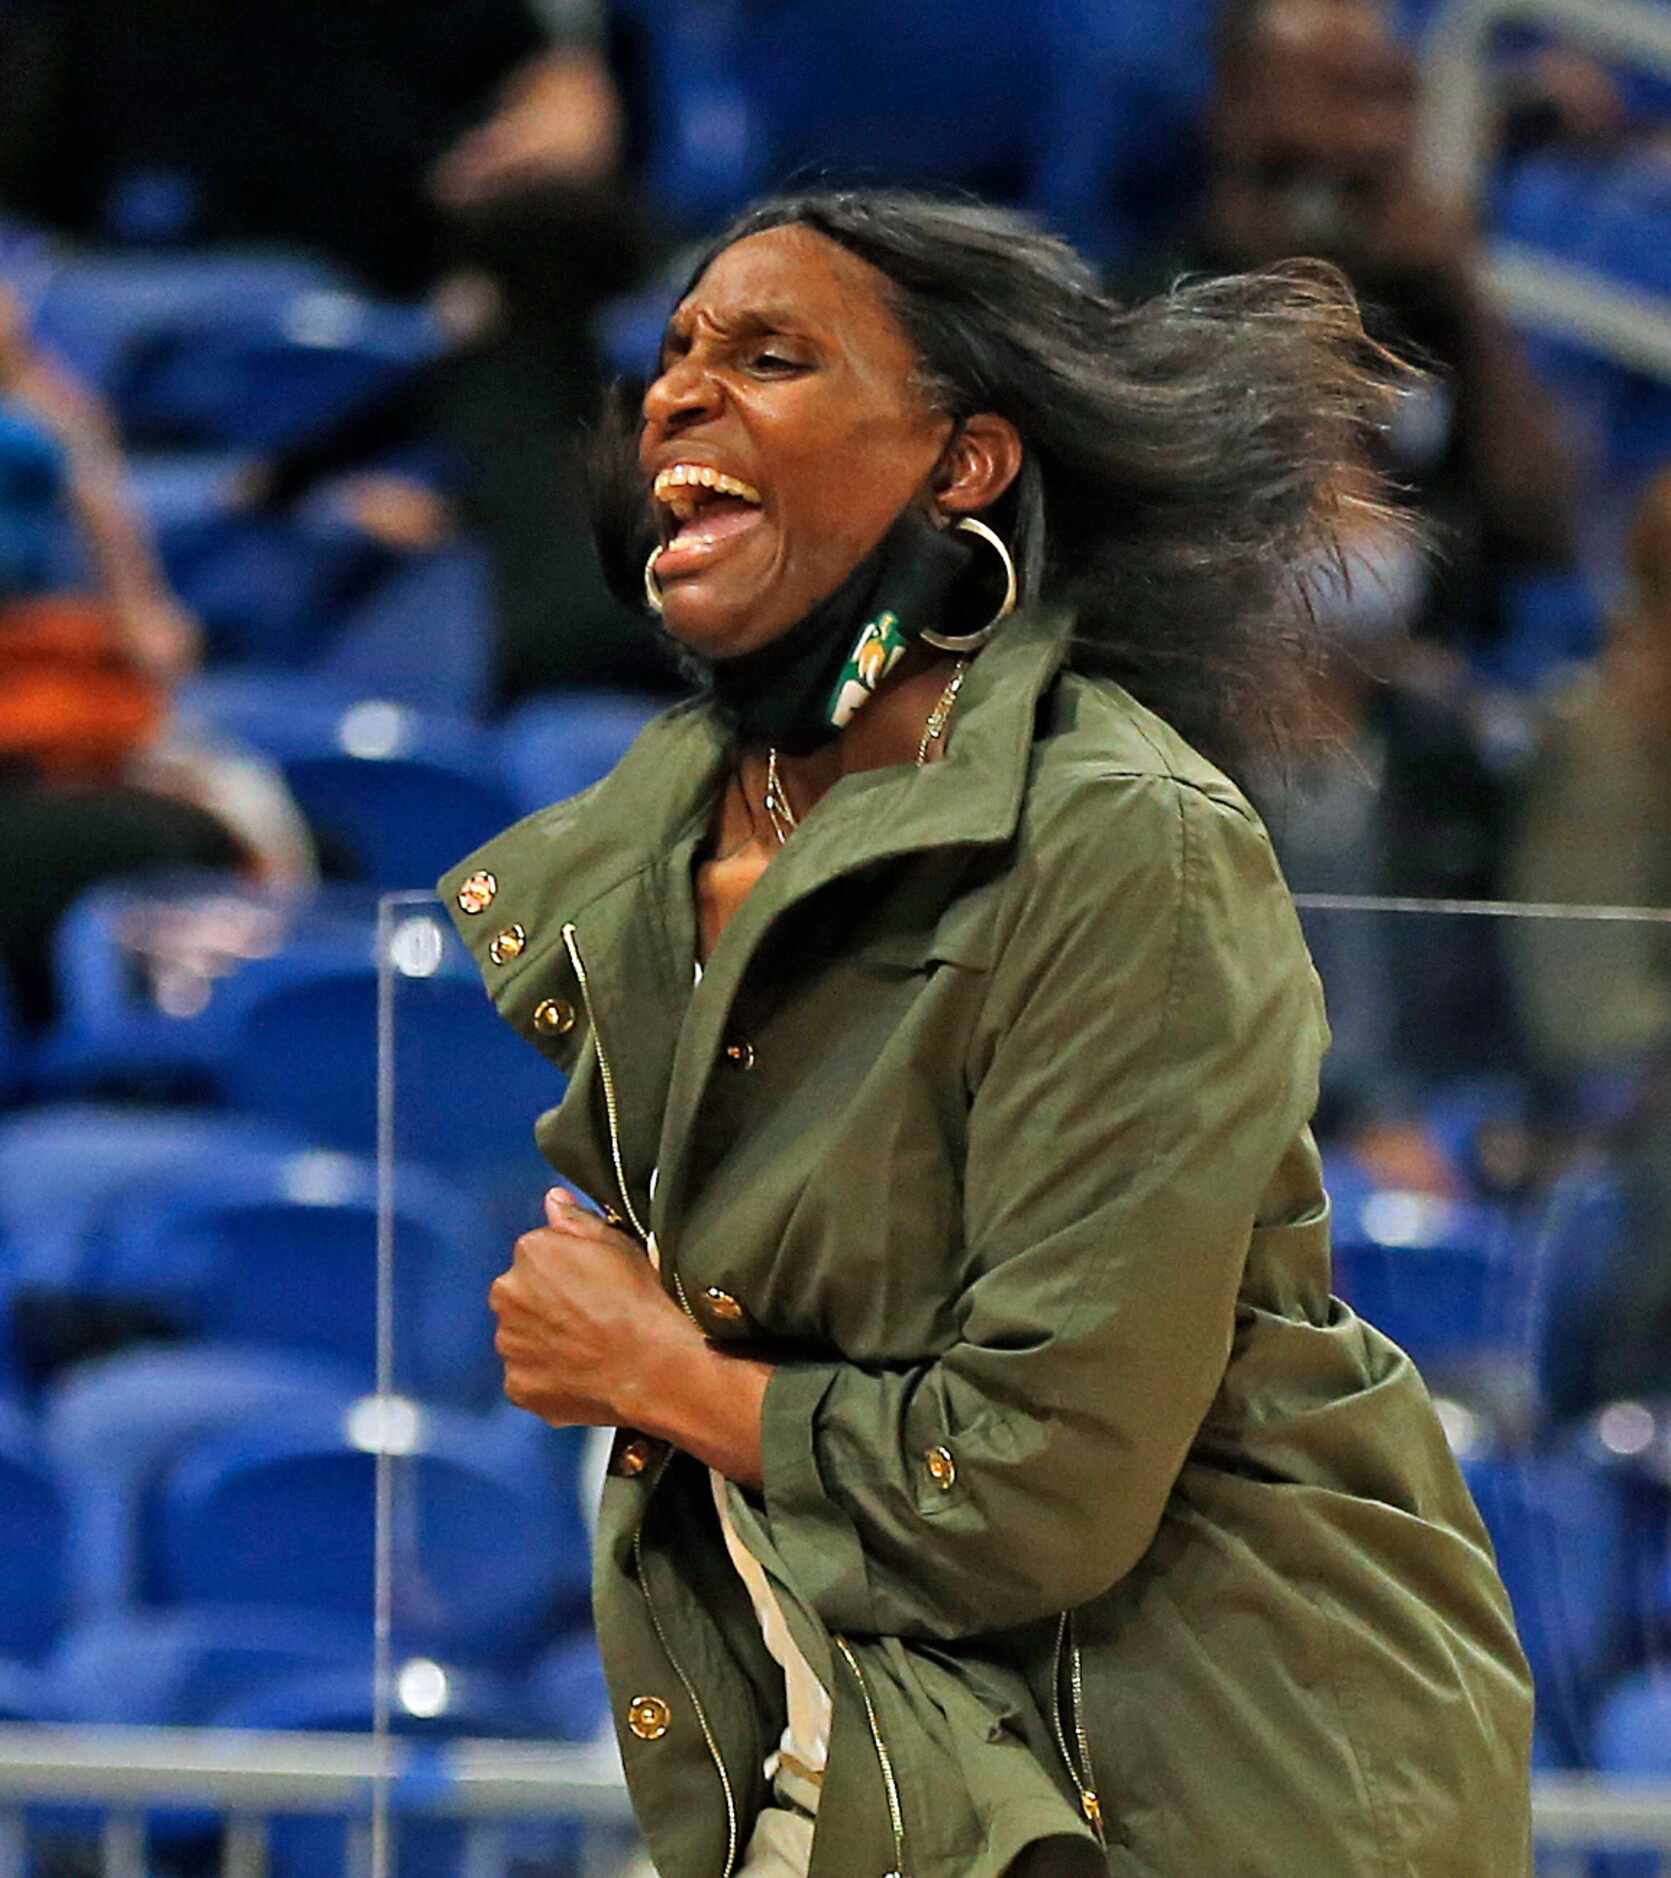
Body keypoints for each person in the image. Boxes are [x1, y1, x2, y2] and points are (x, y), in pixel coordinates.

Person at [441, 191, 1532, 1876]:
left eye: (771, 355)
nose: (677, 394)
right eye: (671, 357)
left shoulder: (1120, 838)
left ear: (963, 465)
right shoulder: (645, 852)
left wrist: (660, 1371)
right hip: (916, 1772)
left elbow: (1038, 1480)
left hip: (1228, 1777)